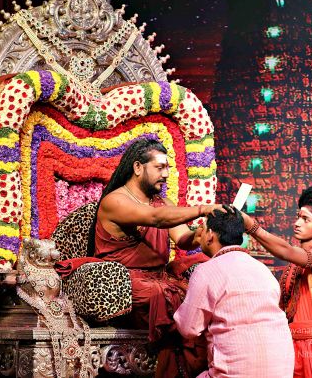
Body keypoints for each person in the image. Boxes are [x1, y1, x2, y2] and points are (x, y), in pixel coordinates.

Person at [87, 138, 222, 377]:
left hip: (159, 278)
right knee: (165, 296)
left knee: (202, 280)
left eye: (167, 168)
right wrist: (202, 209)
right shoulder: (115, 201)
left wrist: (200, 234)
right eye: (159, 167)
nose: (166, 174)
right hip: (123, 281)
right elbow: (156, 218)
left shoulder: (162, 203)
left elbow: (182, 238)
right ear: (138, 167)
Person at [240, 185, 312, 378]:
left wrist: (251, 226)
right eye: (298, 216)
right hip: (293, 344)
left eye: (305, 219)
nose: (297, 223)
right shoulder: (297, 262)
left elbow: (287, 251)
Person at [174, 207, 295, 378]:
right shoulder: (263, 269)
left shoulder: (207, 271)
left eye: (203, 229)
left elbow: (188, 328)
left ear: (210, 235)